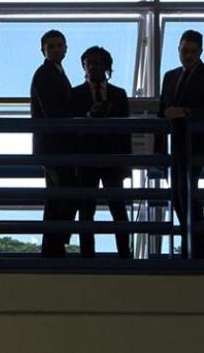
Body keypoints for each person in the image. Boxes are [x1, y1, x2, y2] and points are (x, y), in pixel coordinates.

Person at [157, 30, 204, 259]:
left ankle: (197, 248)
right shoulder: (170, 76)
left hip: (196, 144)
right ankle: (195, 246)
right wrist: (158, 151)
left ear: (200, 52)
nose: (188, 55)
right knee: (178, 195)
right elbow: (161, 114)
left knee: (186, 193)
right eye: (185, 50)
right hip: (174, 145)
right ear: (178, 50)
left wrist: (185, 112)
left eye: (193, 51)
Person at [30, 30, 90, 258]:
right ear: (43, 50)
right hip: (54, 147)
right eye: (51, 46)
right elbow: (53, 112)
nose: (56, 49)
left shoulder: (53, 73)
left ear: (65, 48)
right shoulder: (45, 74)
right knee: (63, 196)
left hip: (55, 146)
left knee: (59, 197)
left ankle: (54, 245)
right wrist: (80, 120)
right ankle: (54, 246)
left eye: (59, 45)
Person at [70, 46, 132, 259]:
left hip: (113, 159)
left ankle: (125, 254)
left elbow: (126, 133)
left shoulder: (119, 95)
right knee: (87, 210)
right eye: (89, 63)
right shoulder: (75, 94)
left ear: (106, 66)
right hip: (86, 160)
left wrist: (126, 164)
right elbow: (72, 129)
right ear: (84, 67)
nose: (93, 67)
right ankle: (88, 256)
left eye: (97, 63)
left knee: (118, 209)